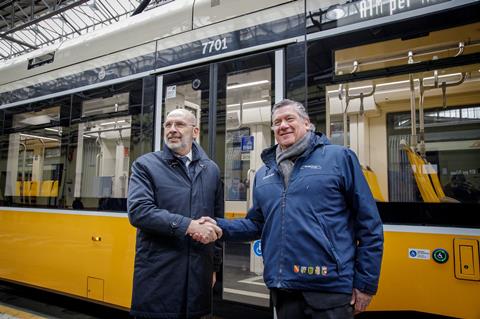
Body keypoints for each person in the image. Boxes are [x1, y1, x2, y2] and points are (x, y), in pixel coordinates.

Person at [195, 99, 384, 319]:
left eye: (289, 119)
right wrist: (217, 225)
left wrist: (366, 283)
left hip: (329, 287)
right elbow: (257, 224)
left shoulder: (339, 158)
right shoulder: (264, 174)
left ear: (307, 123)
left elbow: (369, 225)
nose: (282, 125)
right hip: (284, 287)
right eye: (277, 122)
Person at [127, 108, 224, 319]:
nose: (172, 130)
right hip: (159, 275)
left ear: (195, 131)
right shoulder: (145, 165)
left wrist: (214, 267)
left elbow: (217, 223)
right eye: (168, 125)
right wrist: (189, 226)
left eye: (179, 124)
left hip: (199, 274)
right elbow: (139, 211)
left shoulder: (211, 170)